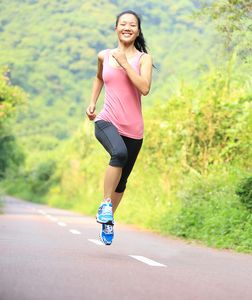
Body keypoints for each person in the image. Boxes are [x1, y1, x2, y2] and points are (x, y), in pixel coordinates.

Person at [85, 10, 153, 245]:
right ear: (116, 29)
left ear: (137, 31)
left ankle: (108, 220)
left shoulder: (143, 59)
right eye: (122, 24)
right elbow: (99, 78)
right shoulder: (104, 55)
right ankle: (105, 205)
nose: (127, 27)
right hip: (107, 120)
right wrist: (93, 102)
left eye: (132, 25)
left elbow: (144, 88)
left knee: (122, 182)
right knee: (119, 154)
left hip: (134, 129)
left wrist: (125, 64)